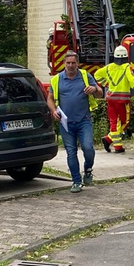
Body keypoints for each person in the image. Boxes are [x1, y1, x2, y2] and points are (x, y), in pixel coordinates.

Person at [47, 51, 103, 193]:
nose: (70, 65)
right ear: (64, 63)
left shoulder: (85, 76)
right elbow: (50, 98)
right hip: (66, 123)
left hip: (84, 121)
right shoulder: (57, 79)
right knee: (71, 153)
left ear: (77, 63)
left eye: (73, 63)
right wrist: (53, 111)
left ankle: (88, 169)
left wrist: (94, 89)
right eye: (68, 63)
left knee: (88, 148)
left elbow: (100, 93)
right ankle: (76, 181)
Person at [94, 45, 134, 153]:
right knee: (124, 122)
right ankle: (109, 139)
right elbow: (132, 80)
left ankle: (116, 145)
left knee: (114, 122)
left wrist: (106, 84)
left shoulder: (108, 67)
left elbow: (97, 74)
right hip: (123, 100)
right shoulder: (127, 67)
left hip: (111, 99)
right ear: (126, 57)